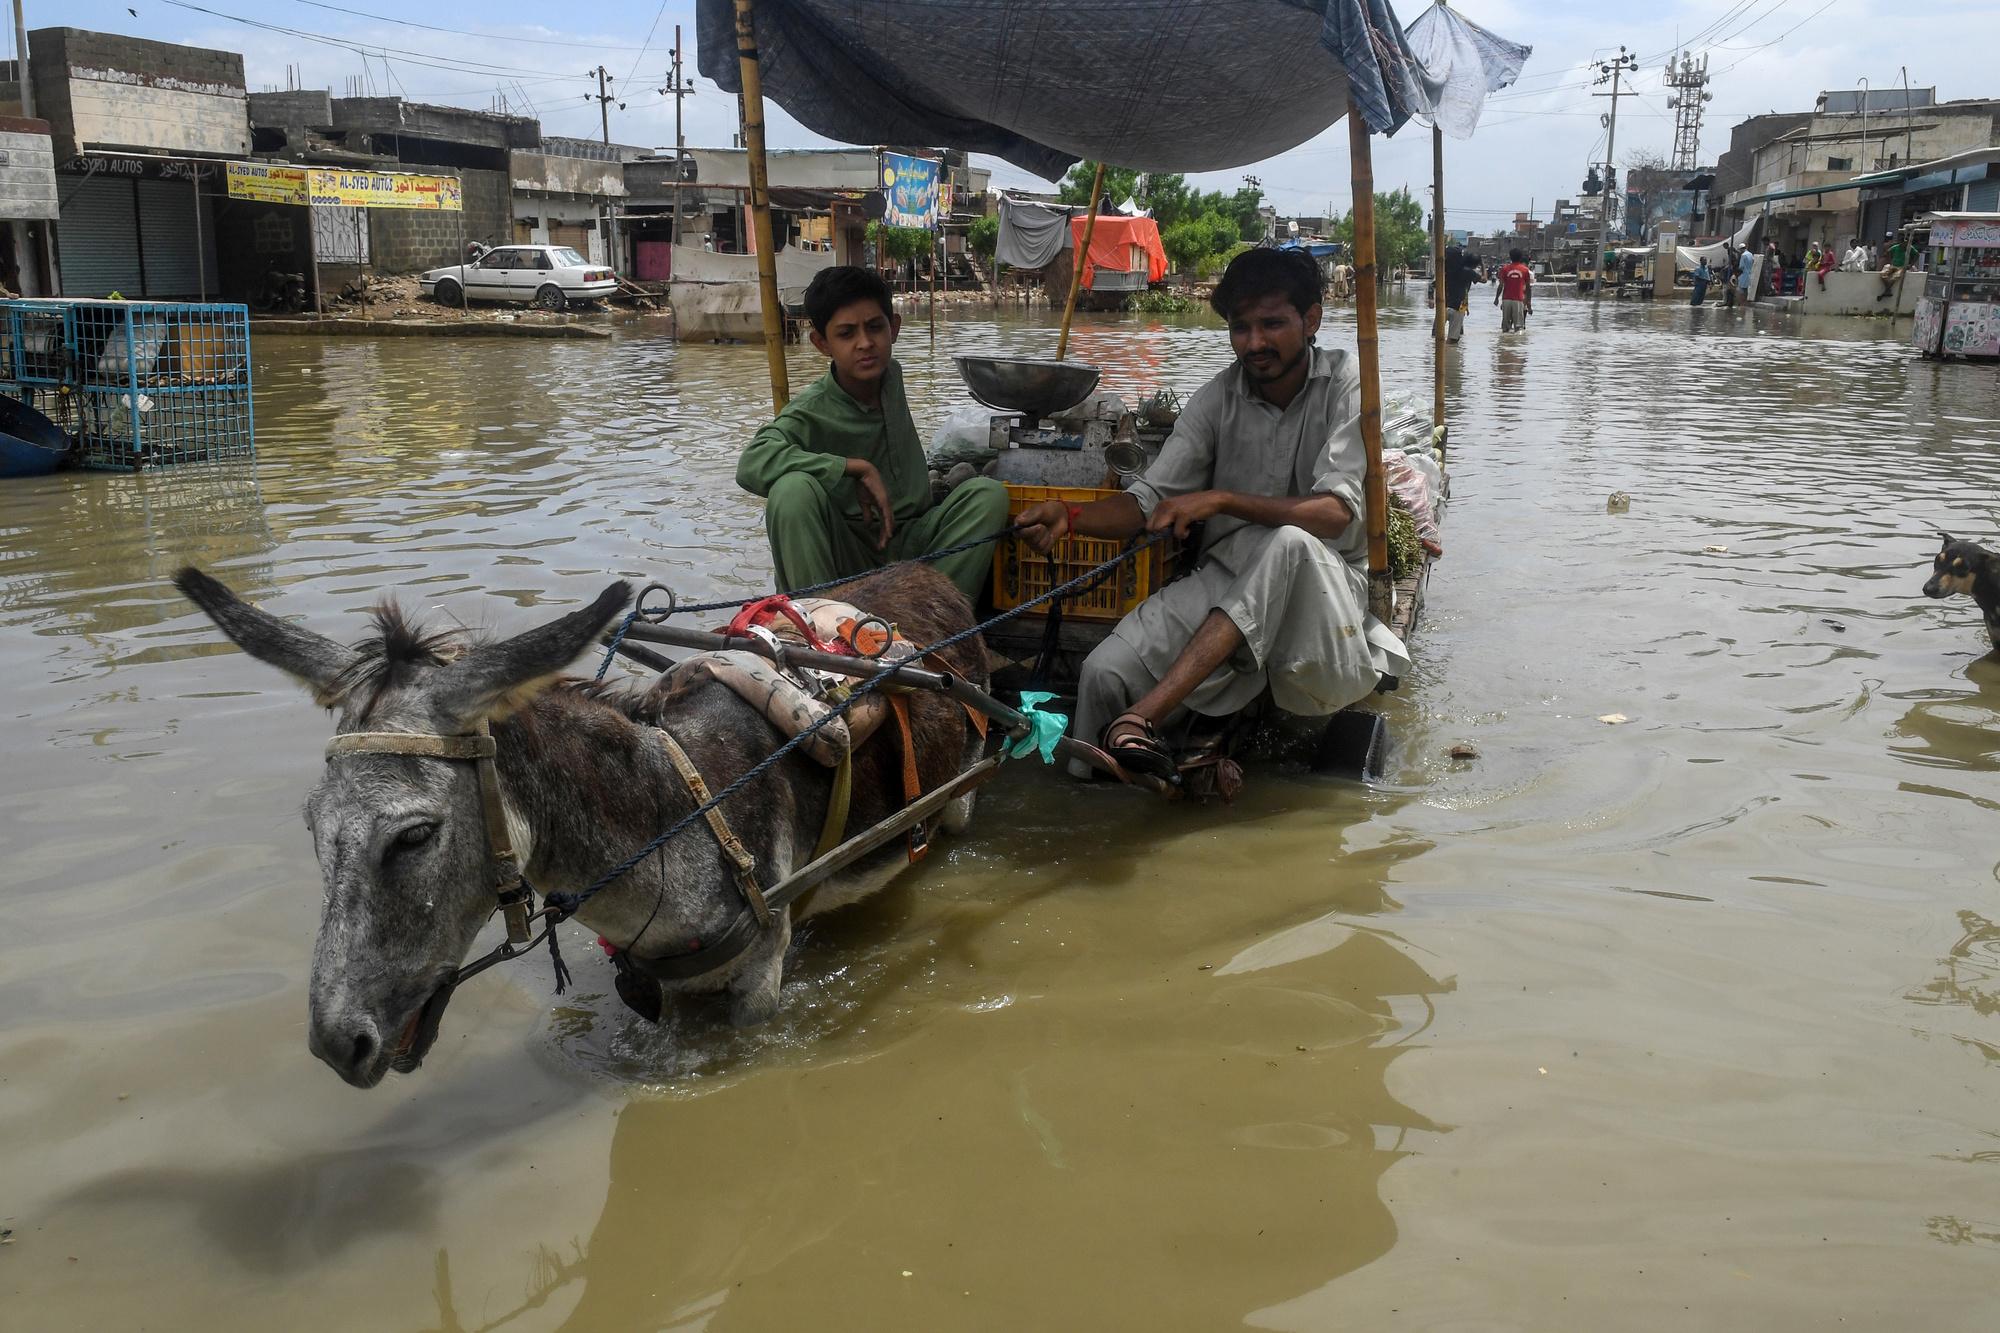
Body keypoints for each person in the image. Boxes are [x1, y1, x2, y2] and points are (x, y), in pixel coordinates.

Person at [1014, 248, 1407, 779]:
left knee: (1287, 543)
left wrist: (1221, 499)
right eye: (1240, 327)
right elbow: (1148, 501)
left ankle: (1141, 719)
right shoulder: (1216, 399)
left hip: (1326, 589)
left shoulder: (1348, 383)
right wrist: (1070, 516)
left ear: (1311, 319)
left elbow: (1335, 515)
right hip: (1229, 575)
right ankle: (1092, 807)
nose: (1254, 343)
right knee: (1103, 673)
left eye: (1272, 324)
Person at [736, 266, 1010, 601]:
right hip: (851, 555)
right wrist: (850, 468)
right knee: (791, 491)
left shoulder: (890, 373)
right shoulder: (813, 407)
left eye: (875, 328)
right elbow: (751, 462)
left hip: (914, 540)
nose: (865, 344)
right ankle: (824, 626)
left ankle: (931, 626)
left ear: (893, 328)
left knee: (987, 495)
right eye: (847, 334)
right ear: (822, 344)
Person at [1442, 243, 1483, 343]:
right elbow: (1484, 279)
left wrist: (1431, 298)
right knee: (1453, 339)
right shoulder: (1468, 272)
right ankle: (1451, 356)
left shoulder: (1446, 271)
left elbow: (1433, 285)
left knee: (1436, 335)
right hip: (1458, 307)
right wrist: (1483, 265)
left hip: (1443, 306)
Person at [1494, 247, 1534, 330]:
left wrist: (1496, 298)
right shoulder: (1525, 270)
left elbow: (1501, 285)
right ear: (1520, 258)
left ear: (1510, 257)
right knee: (1518, 327)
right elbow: (1528, 288)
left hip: (1506, 300)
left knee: (1505, 327)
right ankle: (1518, 342)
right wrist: (1529, 303)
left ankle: (1504, 342)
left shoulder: (1504, 269)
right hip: (1519, 300)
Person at [1877, 232, 1910, 301]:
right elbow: (1888, 251)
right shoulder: (1891, 245)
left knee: (1893, 276)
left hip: (1893, 263)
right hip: (1888, 261)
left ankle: (1887, 290)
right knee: (1883, 274)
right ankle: (1888, 290)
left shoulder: (1895, 245)